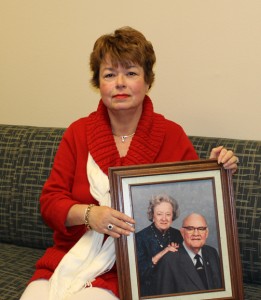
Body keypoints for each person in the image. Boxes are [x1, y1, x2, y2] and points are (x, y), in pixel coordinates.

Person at [20, 26, 238, 300]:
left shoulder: (172, 134)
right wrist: (91, 215)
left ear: (147, 81)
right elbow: (50, 203)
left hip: (135, 269)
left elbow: (192, 205)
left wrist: (219, 170)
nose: (120, 82)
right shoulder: (77, 132)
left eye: (131, 73)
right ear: (98, 83)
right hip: (70, 258)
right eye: (110, 74)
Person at [155, 213, 222, 295]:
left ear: (206, 233)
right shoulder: (169, 260)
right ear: (182, 232)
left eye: (201, 229)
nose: (196, 234)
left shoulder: (212, 253)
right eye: (190, 229)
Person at [135, 194, 182, 296]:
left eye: (168, 214)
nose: (164, 218)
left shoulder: (177, 234)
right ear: (152, 216)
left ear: (172, 216)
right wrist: (163, 253)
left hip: (175, 289)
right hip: (151, 291)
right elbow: (139, 274)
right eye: (159, 214)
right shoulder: (140, 238)